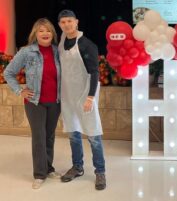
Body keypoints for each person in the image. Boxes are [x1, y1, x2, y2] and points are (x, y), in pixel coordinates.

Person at [4, 18, 61, 189]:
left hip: (55, 101)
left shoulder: (58, 51)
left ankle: (49, 167)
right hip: (35, 102)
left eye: (48, 30)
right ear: (35, 34)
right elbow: (9, 73)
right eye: (41, 30)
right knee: (38, 137)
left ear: (53, 34)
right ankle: (39, 174)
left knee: (49, 136)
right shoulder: (27, 52)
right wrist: (20, 90)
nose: (45, 33)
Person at [57, 9, 106, 190]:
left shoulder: (86, 45)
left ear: (76, 22)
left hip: (85, 96)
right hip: (68, 97)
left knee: (93, 135)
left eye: (70, 21)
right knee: (73, 134)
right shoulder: (61, 43)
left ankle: (100, 171)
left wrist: (90, 97)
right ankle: (77, 167)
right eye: (63, 22)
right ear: (60, 25)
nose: (66, 25)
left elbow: (94, 73)